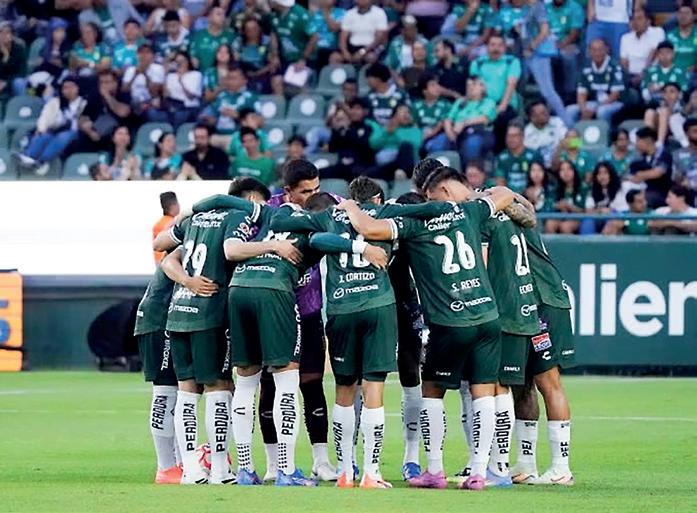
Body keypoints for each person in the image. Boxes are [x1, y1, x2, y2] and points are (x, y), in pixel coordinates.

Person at [338, 168, 518, 490]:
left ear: (441, 191)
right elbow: (504, 193)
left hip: (451, 321)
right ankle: (480, 473)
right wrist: (473, 197)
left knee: (432, 391)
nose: (428, 201)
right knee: (483, 392)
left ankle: (434, 470)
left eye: (430, 196)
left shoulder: (415, 223)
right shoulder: (469, 211)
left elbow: (367, 227)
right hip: (488, 317)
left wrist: (351, 206)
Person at [268, 178, 450, 489]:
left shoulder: (330, 215)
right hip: (378, 307)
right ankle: (371, 472)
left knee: (344, 390)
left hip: (341, 309)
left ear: (350, 197)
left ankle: (344, 472)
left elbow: (281, 222)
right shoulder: (385, 213)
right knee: (373, 389)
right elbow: (434, 209)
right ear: (376, 198)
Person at [156, 181, 265, 485]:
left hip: (179, 311)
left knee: (187, 391)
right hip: (210, 312)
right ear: (250, 199)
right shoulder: (237, 218)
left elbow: (163, 250)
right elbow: (231, 252)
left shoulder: (195, 220)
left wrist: (187, 281)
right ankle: (219, 468)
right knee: (219, 387)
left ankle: (191, 470)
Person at [346, 177, 426, 481]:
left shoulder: (400, 217)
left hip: (403, 305)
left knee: (409, 374)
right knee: (360, 380)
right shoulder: (353, 223)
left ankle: (411, 457)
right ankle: (353, 459)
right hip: (369, 304)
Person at [133, 254, 185, 484]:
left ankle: (179, 463)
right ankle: (166, 467)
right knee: (166, 390)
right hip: (160, 319)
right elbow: (166, 258)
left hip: (170, 316)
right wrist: (189, 281)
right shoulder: (186, 240)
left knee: (179, 392)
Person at [18, 76, 87, 172]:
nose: (68, 90)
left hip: (75, 132)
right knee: (44, 135)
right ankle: (29, 157)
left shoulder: (84, 103)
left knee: (63, 136)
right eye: (65, 88)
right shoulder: (54, 102)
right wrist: (41, 129)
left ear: (78, 88)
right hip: (55, 129)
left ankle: (42, 161)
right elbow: (44, 117)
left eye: (72, 87)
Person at [469, 34, 522, 152]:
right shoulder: (478, 63)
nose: (496, 48)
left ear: (504, 48)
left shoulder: (511, 61)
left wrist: (502, 106)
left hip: (504, 104)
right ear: (487, 47)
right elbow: (473, 87)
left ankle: (499, 156)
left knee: (501, 120)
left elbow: (511, 84)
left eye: (500, 45)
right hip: (483, 105)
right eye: (492, 45)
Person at [431, 77, 496, 162]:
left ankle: (468, 169)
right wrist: (450, 133)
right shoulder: (460, 102)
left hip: (478, 133)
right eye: (468, 85)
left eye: (474, 84)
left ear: (483, 88)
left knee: (472, 144)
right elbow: (448, 119)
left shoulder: (489, 102)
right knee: (437, 144)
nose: (470, 87)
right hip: (455, 132)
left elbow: (484, 119)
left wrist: (464, 124)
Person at [565, 38, 625, 125]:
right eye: (594, 50)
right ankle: (573, 133)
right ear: (589, 52)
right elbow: (581, 93)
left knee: (602, 111)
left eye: (600, 50)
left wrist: (594, 110)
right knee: (570, 110)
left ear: (606, 50)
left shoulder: (615, 66)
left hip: (615, 102)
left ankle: (605, 133)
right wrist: (584, 109)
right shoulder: (586, 66)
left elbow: (615, 95)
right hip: (595, 102)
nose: (597, 53)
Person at [269, 0, 318, 94]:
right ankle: (280, 103)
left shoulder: (301, 14)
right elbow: (274, 33)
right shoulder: (274, 15)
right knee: (276, 81)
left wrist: (303, 59)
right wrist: (275, 55)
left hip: (303, 59)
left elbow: (314, 37)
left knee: (300, 85)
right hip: (286, 58)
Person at [368, 103, 422, 180]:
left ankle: (402, 171)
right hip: (388, 164)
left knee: (406, 146)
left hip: (408, 163)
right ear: (394, 116)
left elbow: (416, 145)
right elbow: (373, 144)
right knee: (369, 172)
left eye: (408, 113)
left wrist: (395, 133)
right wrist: (387, 132)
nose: (406, 115)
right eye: (403, 112)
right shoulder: (385, 129)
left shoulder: (414, 130)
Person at [546, 0, 584, 103]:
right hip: (548, 45)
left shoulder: (575, 7)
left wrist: (560, 45)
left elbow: (574, 32)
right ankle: (549, 95)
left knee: (568, 56)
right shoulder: (545, 8)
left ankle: (569, 94)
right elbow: (541, 30)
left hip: (569, 43)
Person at [628, 126, 672, 209]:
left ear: (648, 140)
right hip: (642, 190)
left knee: (643, 199)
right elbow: (632, 177)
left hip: (661, 193)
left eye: (638, 141)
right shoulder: (639, 159)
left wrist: (641, 174)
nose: (636, 144)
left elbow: (658, 173)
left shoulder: (664, 154)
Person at [619, 7, 665, 87]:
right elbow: (624, 61)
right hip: (631, 76)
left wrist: (642, 76)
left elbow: (653, 55)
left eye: (639, 19)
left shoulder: (657, 32)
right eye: (633, 19)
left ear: (648, 21)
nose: (635, 22)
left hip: (650, 75)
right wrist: (627, 78)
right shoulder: (625, 38)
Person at [122, 43, 167, 123]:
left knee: (152, 112)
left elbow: (155, 93)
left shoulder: (158, 68)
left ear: (153, 56)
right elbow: (124, 90)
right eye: (141, 52)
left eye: (147, 52)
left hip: (151, 103)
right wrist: (134, 75)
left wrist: (145, 74)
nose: (144, 55)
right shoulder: (130, 70)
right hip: (134, 103)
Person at [495, 124, 545, 194]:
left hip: (530, 194)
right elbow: (500, 180)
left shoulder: (534, 156)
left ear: (522, 137)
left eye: (514, 136)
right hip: (508, 196)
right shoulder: (502, 157)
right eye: (508, 136)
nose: (511, 139)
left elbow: (541, 180)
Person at [233, 17, 277, 94]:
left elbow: (272, 63)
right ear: (244, 31)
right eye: (248, 30)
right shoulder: (239, 42)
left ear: (260, 28)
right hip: (244, 73)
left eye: (254, 29)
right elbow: (235, 58)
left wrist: (257, 73)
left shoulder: (266, 41)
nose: (252, 32)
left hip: (263, 73)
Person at [339, 0, 388, 65]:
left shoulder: (379, 13)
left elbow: (379, 38)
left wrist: (363, 51)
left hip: (371, 48)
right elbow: (343, 37)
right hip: (352, 47)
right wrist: (345, 52)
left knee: (370, 57)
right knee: (335, 57)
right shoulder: (349, 14)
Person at [641, 42, 687, 107]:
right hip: (654, 104)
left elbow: (683, 92)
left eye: (668, 52)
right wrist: (649, 90)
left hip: (674, 106)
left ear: (673, 54)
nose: (665, 56)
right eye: (661, 53)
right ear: (657, 55)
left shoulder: (680, 72)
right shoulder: (650, 71)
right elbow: (644, 91)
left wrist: (664, 91)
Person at [164, 51, 203, 129]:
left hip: (189, 107)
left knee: (179, 116)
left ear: (188, 62)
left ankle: (174, 133)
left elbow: (191, 97)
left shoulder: (195, 75)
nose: (180, 64)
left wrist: (181, 81)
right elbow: (166, 95)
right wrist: (165, 74)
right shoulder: (171, 76)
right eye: (177, 62)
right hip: (173, 106)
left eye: (182, 61)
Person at [544, 160, 585, 234]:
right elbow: (551, 205)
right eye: (562, 170)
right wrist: (558, 206)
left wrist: (570, 207)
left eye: (569, 169)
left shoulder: (582, 188)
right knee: (549, 224)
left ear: (574, 171)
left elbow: (585, 211)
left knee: (565, 226)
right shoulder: (556, 189)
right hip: (561, 216)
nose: (566, 172)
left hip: (577, 218)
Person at [414, 74, 451, 154]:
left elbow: (442, 123)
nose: (437, 88)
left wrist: (429, 135)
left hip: (437, 136)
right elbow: (414, 124)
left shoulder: (445, 105)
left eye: (437, 85)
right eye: (433, 85)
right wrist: (419, 135)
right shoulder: (416, 105)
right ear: (425, 91)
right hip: (420, 135)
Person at [523, 100, 567, 168]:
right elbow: (525, 156)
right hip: (538, 169)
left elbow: (577, 143)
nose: (546, 114)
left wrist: (560, 147)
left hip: (560, 165)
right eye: (542, 113)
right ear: (532, 118)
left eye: (546, 111)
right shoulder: (527, 132)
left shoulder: (557, 122)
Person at [189, 6, 235, 70]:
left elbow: (235, 58)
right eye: (219, 14)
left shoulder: (231, 36)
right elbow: (193, 59)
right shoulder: (198, 36)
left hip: (224, 73)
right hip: (201, 73)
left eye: (224, 15)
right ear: (209, 17)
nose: (223, 17)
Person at [365, 62, 410, 127]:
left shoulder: (400, 95)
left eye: (369, 78)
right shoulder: (370, 96)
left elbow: (408, 116)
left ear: (378, 79)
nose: (367, 82)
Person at [643, 82, 686, 147]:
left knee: (664, 111)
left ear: (679, 94)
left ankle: (660, 143)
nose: (668, 94)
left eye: (672, 91)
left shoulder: (683, 105)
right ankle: (648, 140)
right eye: (665, 92)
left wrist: (669, 108)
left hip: (677, 128)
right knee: (649, 112)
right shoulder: (660, 104)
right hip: (660, 128)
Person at [584, 161, 621, 232]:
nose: (602, 176)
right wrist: (600, 211)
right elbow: (588, 210)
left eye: (605, 173)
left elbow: (621, 210)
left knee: (612, 218)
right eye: (599, 173)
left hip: (615, 218)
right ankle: (587, 239)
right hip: (597, 217)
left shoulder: (620, 189)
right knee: (588, 220)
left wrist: (610, 211)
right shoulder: (592, 191)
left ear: (611, 174)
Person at [310, 0, 346, 69]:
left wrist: (325, 12)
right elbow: (311, 34)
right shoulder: (315, 14)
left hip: (333, 49)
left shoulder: (342, 12)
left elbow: (334, 28)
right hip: (317, 50)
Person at [666, 2, 697, 74]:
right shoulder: (669, 35)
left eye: (687, 13)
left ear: (694, 16)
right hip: (673, 74)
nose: (683, 16)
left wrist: (695, 68)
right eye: (680, 13)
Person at [672, 118, 697, 205]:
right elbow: (676, 177)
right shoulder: (678, 154)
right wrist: (680, 178)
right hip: (688, 192)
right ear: (687, 133)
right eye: (695, 131)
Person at [0, 22, 26, 100]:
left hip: (12, 81)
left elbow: (22, 72)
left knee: (19, 82)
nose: (4, 35)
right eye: (1, 33)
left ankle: (21, 105)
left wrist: (6, 83)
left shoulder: (18, 49)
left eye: (7, 32)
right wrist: (5, 56)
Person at [153, 191, 180, 264]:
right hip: (167, 261)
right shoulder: (172, 224)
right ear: (173, 206)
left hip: (159, 261)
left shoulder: (159, 223)